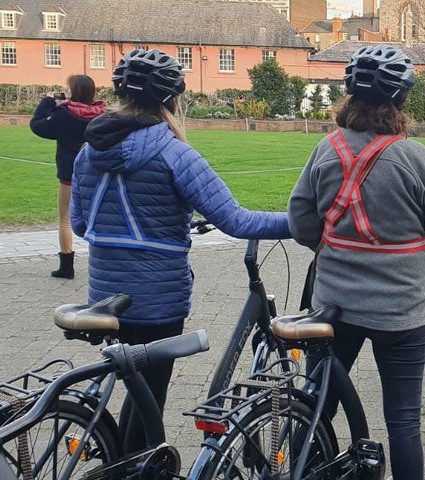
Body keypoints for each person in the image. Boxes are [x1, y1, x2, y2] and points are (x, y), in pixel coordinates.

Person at [288, 45, 425, 480]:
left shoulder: (326, 149)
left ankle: (303, 469)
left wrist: (338, 248)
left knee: (317, 405)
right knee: (402, 421)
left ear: (350, 97)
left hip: (334, 306)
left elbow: (301, 221)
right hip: (401, 310)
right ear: (400, 100)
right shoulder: (412, 157)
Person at [69, 48, 290, 452]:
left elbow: (82, 224)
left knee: (135, 388)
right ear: (172, 100)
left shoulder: (88, 151)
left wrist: (154, 223)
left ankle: (124, 461)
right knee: (150, 395)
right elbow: (237, 221)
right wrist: (302, 222)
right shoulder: (175, 154)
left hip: (105, 293)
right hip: (157, 296)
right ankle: (136, 468)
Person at [30, 74, 106, 279]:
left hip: (69, 174)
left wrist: (47, 102)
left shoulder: (63, 115)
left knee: (64, 218)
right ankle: (104, 261)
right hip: (97, 174)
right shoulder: (102, 115)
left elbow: (38, 125)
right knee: (101, 218)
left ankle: (66, 265)